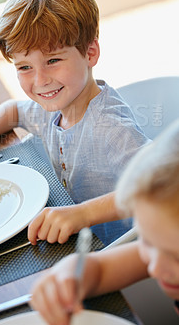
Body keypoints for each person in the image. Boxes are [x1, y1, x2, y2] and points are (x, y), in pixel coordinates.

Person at [0, 0, 149, 245]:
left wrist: (80, 214)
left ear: (90, 53)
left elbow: (158, 184)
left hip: (127, 254)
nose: (40, 80)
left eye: (53, 60)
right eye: (24, 67)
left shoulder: (111, 127)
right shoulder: (52, 108)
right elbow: (13, 110)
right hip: (79, 240)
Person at [30, 120, 179, 324]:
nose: (154, 269)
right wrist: (69, 274)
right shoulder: (165, 250)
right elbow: (101, 270)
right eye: (147, 241)